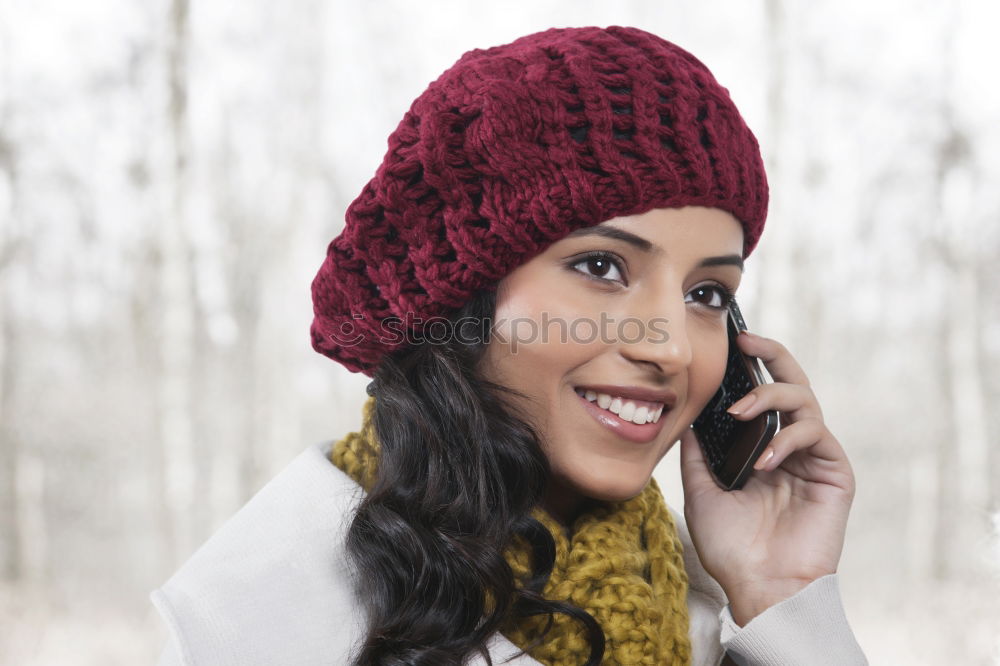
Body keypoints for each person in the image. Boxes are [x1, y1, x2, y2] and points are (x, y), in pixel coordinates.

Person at [150, 26, 868, 665]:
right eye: (601, 267)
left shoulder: (716, 613)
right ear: (459, 294)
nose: (673, 350)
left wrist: (783, 596)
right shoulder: (251, 628)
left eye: (707, 293)